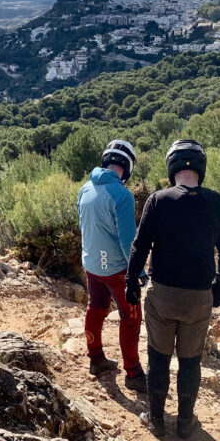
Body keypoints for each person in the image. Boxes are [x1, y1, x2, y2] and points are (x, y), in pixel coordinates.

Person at [125, 139, 220, 438]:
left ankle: (157, 420)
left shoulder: (159, 200)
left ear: (171, 166)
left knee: (158, 358)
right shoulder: (219, 203)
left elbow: (140, 245)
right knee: (190, 361)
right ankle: (186, 422)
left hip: (163, 295)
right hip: (199, 297)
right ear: (202, 167)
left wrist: (131, 282)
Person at [77, 139, 147, 393]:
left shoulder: (84, 188)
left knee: (95, 309)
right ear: (127, 166)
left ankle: (96, 359)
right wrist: (139, 272)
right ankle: (134, 373)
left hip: (91, 264)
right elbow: (129, 239)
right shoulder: (122, 195)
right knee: (131, 318)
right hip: (116, 270)